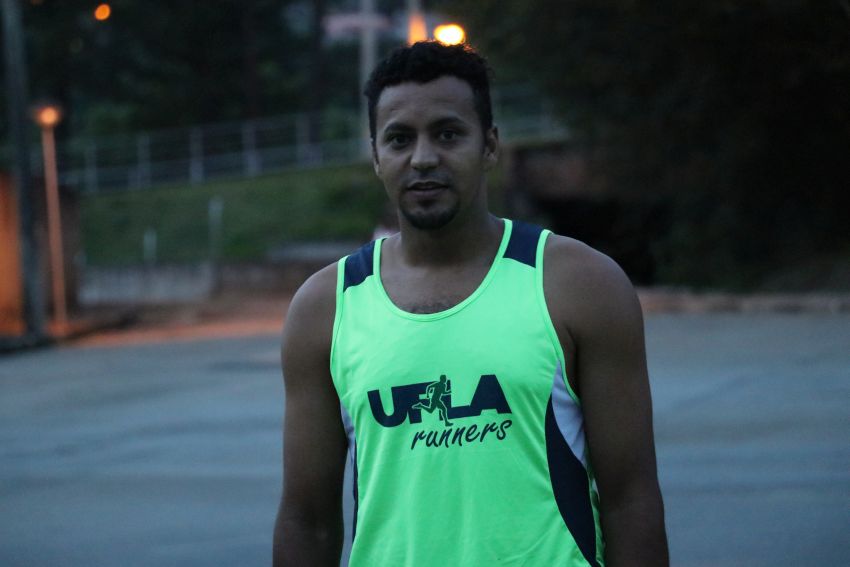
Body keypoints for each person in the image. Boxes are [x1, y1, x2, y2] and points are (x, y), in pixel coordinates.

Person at [273, 41, 668, 567]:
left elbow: (631, 498)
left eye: (448, 133)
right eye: (399, 139)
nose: (423, 158)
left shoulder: (579, 284)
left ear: (490, 145)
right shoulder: (325, 307)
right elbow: (308, 520)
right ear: (376, 156)